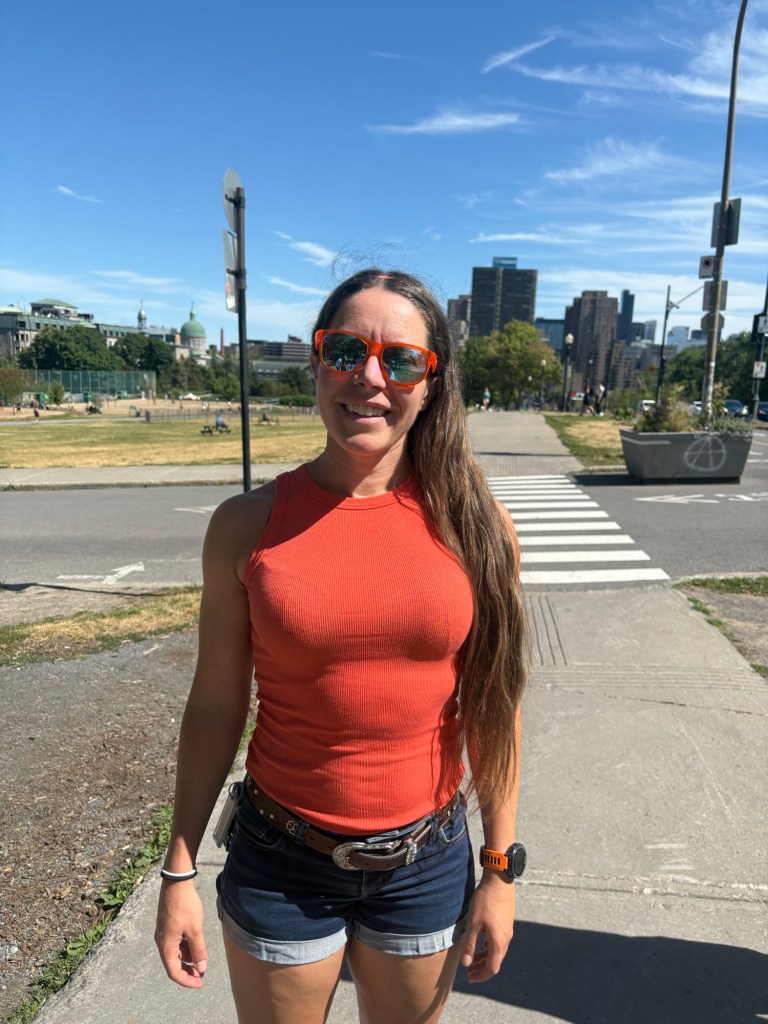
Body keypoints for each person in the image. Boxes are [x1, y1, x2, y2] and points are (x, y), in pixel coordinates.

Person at [155, 269, 528, 1023]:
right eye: (347, 350)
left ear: (432, 383)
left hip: (424, 865)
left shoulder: (478, 527)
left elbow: (493, 708)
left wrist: (500, 870)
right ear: (318, 362)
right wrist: (179, 870)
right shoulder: (245, 525)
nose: (371, 378)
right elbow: (216, 705)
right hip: (281, 862)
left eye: (402, 360)